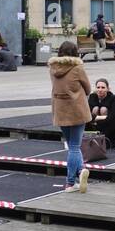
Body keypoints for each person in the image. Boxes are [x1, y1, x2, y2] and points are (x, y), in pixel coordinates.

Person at [49, 41, 91, 193]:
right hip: (77, 110)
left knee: (71, 146)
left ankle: (81, 172)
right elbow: (88, 88)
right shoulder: (77, 68)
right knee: (75, 147)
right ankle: (70, 182)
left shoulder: (52, 68)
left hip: (60, 110)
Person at [87, 78, 115, 148]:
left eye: (103, 87)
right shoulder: (92, 96)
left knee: (103, 109)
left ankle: (104, 136)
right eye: (98, 87)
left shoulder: (113, 98)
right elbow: (88, 113)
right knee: (95, 109)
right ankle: (95, 134)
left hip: (109, 123)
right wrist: (97, 118)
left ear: (108, 89)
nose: (100, 90)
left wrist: (98, 118)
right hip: (95, 122)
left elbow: (114, 114)